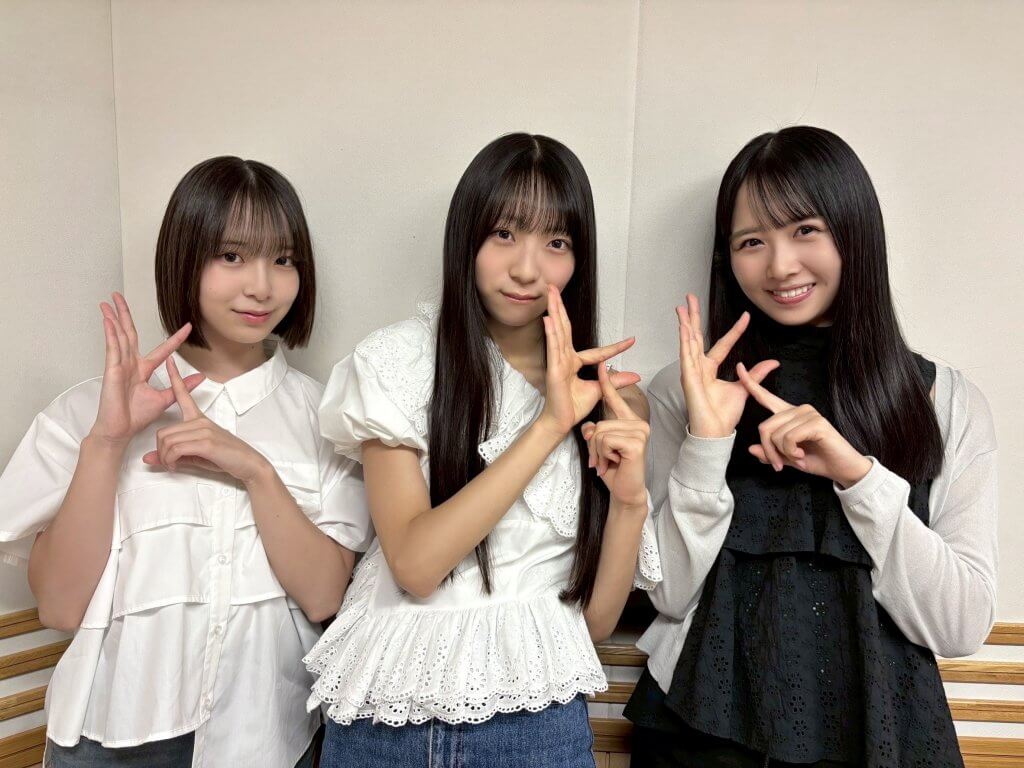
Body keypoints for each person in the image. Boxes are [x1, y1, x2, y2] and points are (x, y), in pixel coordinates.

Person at [625, 126, 998, 767]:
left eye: (805, 230)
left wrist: (858, 477)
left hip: (883, 735)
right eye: (751, 241)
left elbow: (960, 625)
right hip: (696, 733)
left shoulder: (945, 401)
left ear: (854, 233)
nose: (780, 266)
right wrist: (706, 445)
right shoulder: (685, 390)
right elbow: (669, 594)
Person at [0, 156, 371, 767]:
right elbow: (60, 607)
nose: (262, 286)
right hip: (107, 740)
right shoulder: (84, 413)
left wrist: (256, 472)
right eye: (231, 256)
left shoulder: (327, 418)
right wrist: (107, 443)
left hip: (267, 742)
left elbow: (324, 596)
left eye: (283, 259)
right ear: (184, 256)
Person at [307, 133, 662, 768]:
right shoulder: (400, 363)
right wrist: (548, 427)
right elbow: (416, 566)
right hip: (385, 722)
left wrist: (631, 501)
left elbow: (593, 624)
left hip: (537, 725)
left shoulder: (613, 401)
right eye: (504, 234)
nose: (527, 268)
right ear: (466, 239)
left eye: (556, 243)